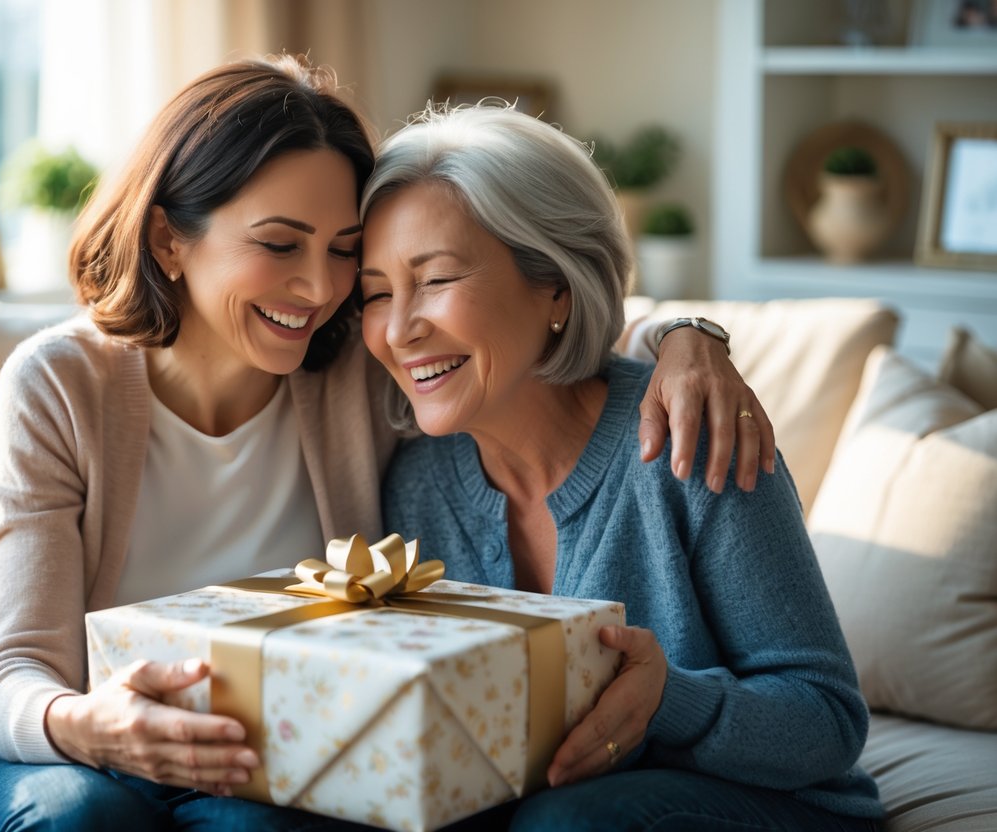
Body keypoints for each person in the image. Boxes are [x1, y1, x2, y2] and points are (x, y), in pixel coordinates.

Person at [0, 57, 776, 831]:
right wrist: (93, 725)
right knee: (81, 821)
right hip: (64, 753)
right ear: (167, 239)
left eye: (344, 254)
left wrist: (687, 336)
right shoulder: (58, 384)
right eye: (278, 244)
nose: (321, 288)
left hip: (259, 764)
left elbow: (530, 340)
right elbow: (12, 674)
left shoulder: (351, 369)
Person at [363, 103, 885, 831]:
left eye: (436, 279)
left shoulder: (688, 435)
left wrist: (667, 698)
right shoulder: (419, 483)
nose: (397, 328)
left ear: (554, 285)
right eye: (376, 293)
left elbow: (827, 723)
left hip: (767, 807)